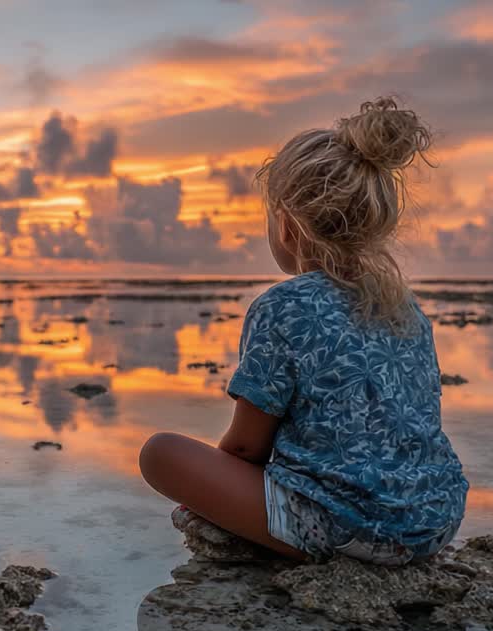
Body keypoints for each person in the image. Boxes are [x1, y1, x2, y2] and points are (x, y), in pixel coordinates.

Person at [139, 97, 467, 565]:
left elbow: (248, 446)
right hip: (435, 521)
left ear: (288, 227)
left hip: (349, 525)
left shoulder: (281, 307)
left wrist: (216, 492)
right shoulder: (406, 309)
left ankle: (288, 543)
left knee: (160, 453)